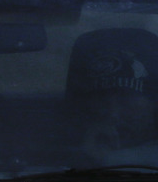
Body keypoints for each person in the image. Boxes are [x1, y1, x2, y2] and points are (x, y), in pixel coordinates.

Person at [66, 27, 158, 166]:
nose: (113, 113)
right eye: (101, 99)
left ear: (154, 103)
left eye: (126, 99)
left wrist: (109, 159)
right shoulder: (54, 154)